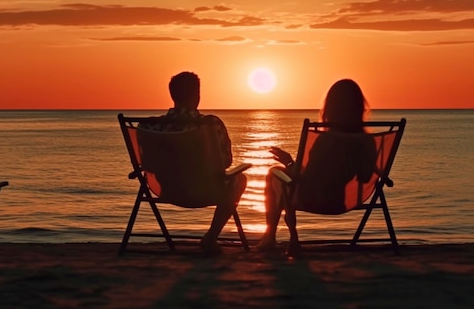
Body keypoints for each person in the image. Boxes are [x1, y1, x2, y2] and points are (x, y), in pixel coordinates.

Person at [256, 78, 377, 251]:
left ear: (330, 108)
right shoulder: (366, 141)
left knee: (275, 173)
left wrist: (289, 162)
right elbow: (365, 177)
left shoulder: (326, 140)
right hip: (339, 202)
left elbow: (307, 178)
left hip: (313, 200)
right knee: (283, 177)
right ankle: (277, 238)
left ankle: (272, 237)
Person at [142, 71, 247, 255]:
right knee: (241, 179)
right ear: (197, 95)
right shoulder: (209, 124)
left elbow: (145, 162)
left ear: (172, 95)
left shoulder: (149, 126)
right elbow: (225, 162)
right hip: (203, 191)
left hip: (165, 190)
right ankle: (210, 237)